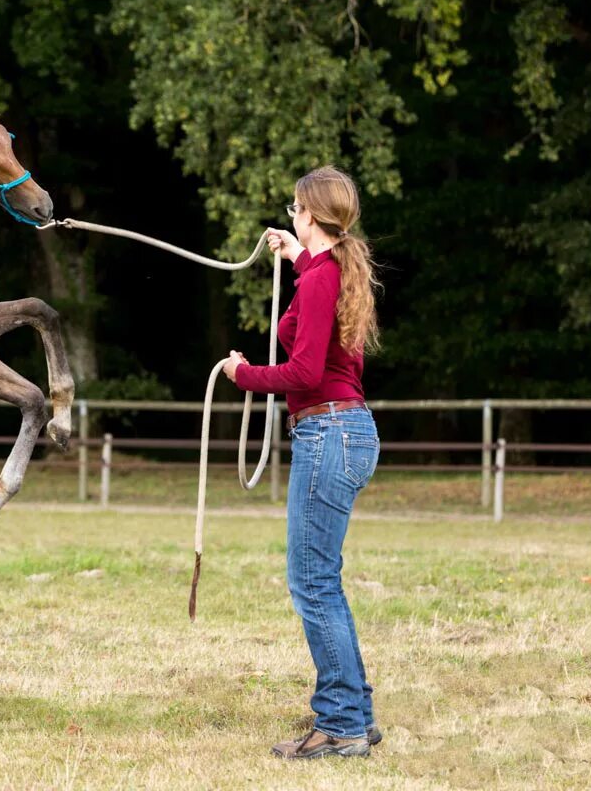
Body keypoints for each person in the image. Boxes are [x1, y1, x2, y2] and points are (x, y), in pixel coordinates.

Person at [222, 166, 383, 759]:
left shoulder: (323, 281)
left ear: (310, 214)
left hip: (329, 432)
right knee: (323, 583)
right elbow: (304, 335)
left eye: (294, 210)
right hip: (343, 431)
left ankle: (340, 725)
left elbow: (304, 372)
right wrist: (296, 257)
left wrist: (243, 376)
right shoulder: (329, 272)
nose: (290, 216)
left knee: (312, 585)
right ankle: (353, 717)